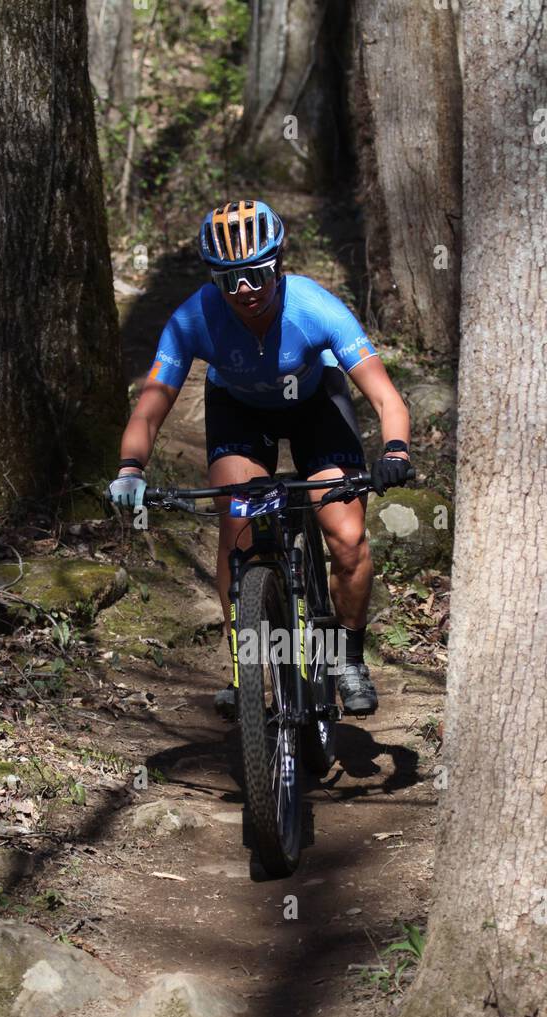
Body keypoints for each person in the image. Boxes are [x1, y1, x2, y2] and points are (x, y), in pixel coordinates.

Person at [108, 198, 412, 717]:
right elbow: (153, 403)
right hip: (240, 415)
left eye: (256, 275)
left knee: (346, 537)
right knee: (237, 527)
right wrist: (131, 468)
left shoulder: (315, 307)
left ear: (279, 267)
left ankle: (349, 658)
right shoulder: (193, 319)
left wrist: (396, 449)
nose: (244, 290)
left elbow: (384, 394)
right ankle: (241, 664)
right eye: (229, 280)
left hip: (315, 407)